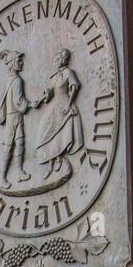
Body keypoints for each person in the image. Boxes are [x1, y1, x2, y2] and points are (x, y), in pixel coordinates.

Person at [0, 50, 49, 190]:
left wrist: (30, 104)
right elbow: (19, 103)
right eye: (19, 61)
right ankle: (2, 178)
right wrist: (32, 104)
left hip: (14, 117)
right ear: (13, 63)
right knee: (9, 147)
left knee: (20, 144)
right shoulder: (17, 81)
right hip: (14, 117)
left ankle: (19, 172)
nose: (22, 63)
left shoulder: (9, 79)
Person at [34, 49, 85, 182]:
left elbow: (75, 87)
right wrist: (46, 93)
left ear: (63, 60)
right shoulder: (55, 76)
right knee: (45, 131)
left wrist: (69, 104)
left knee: (60, 132)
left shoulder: (68, 72)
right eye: (55, 60)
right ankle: (50, 164)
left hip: (64, 103)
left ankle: (57, 159)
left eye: (57, 59)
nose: (55, 62)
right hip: (54, 106)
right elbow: (50, 91)